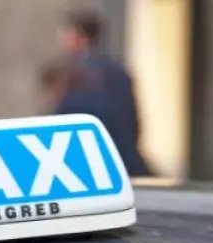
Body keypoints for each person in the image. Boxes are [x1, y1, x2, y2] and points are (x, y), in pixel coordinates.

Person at [54, 9, 152, 177]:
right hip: (121, 156)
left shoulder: (80, 74)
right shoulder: (116, 70)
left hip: (94, 161)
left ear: (79, 37)